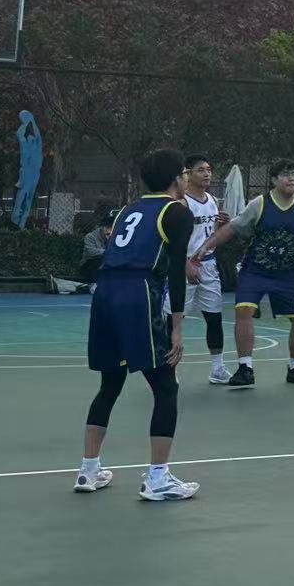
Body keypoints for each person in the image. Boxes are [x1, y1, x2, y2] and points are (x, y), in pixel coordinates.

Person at [76, 146, 199, 500]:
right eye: (185, 172)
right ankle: (158, 478)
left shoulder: (128, 210)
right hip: (137, 294)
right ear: (177, 177)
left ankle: (88, 470)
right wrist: (177, 328)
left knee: (110, 384)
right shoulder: (177, 212)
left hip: (104, 293)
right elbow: (176, 274)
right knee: (166, 386)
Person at [192, 159, 294, 388]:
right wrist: (206, 246)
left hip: (287, 273)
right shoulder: (260, 204)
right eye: (285, 174)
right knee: (244, 310)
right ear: (274, 180)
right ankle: (245, 367)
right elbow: (232, 228)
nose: (291, 178)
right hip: (255, 270)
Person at [177, 156, 231, 386]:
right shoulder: (181, 203)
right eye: (201, 170)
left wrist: (222, 225)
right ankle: (169, 369)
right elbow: (172, 240)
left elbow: (211, 235)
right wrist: (185, 264)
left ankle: (217, 368)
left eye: (209, 169)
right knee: (175, 319)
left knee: (214, 317)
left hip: (208, 265)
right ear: (188, 174)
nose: (207, 174)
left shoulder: (212, 200)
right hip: (184, 266)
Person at [77, 210, 116, 287]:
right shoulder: (90, 236)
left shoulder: (113, 237)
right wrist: (106, 252)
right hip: (88, 265)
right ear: (103, 228)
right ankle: (93, 285)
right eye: (108, 228)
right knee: (99, 259)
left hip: (104, 263)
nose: (110, 231)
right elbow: (91, 252)